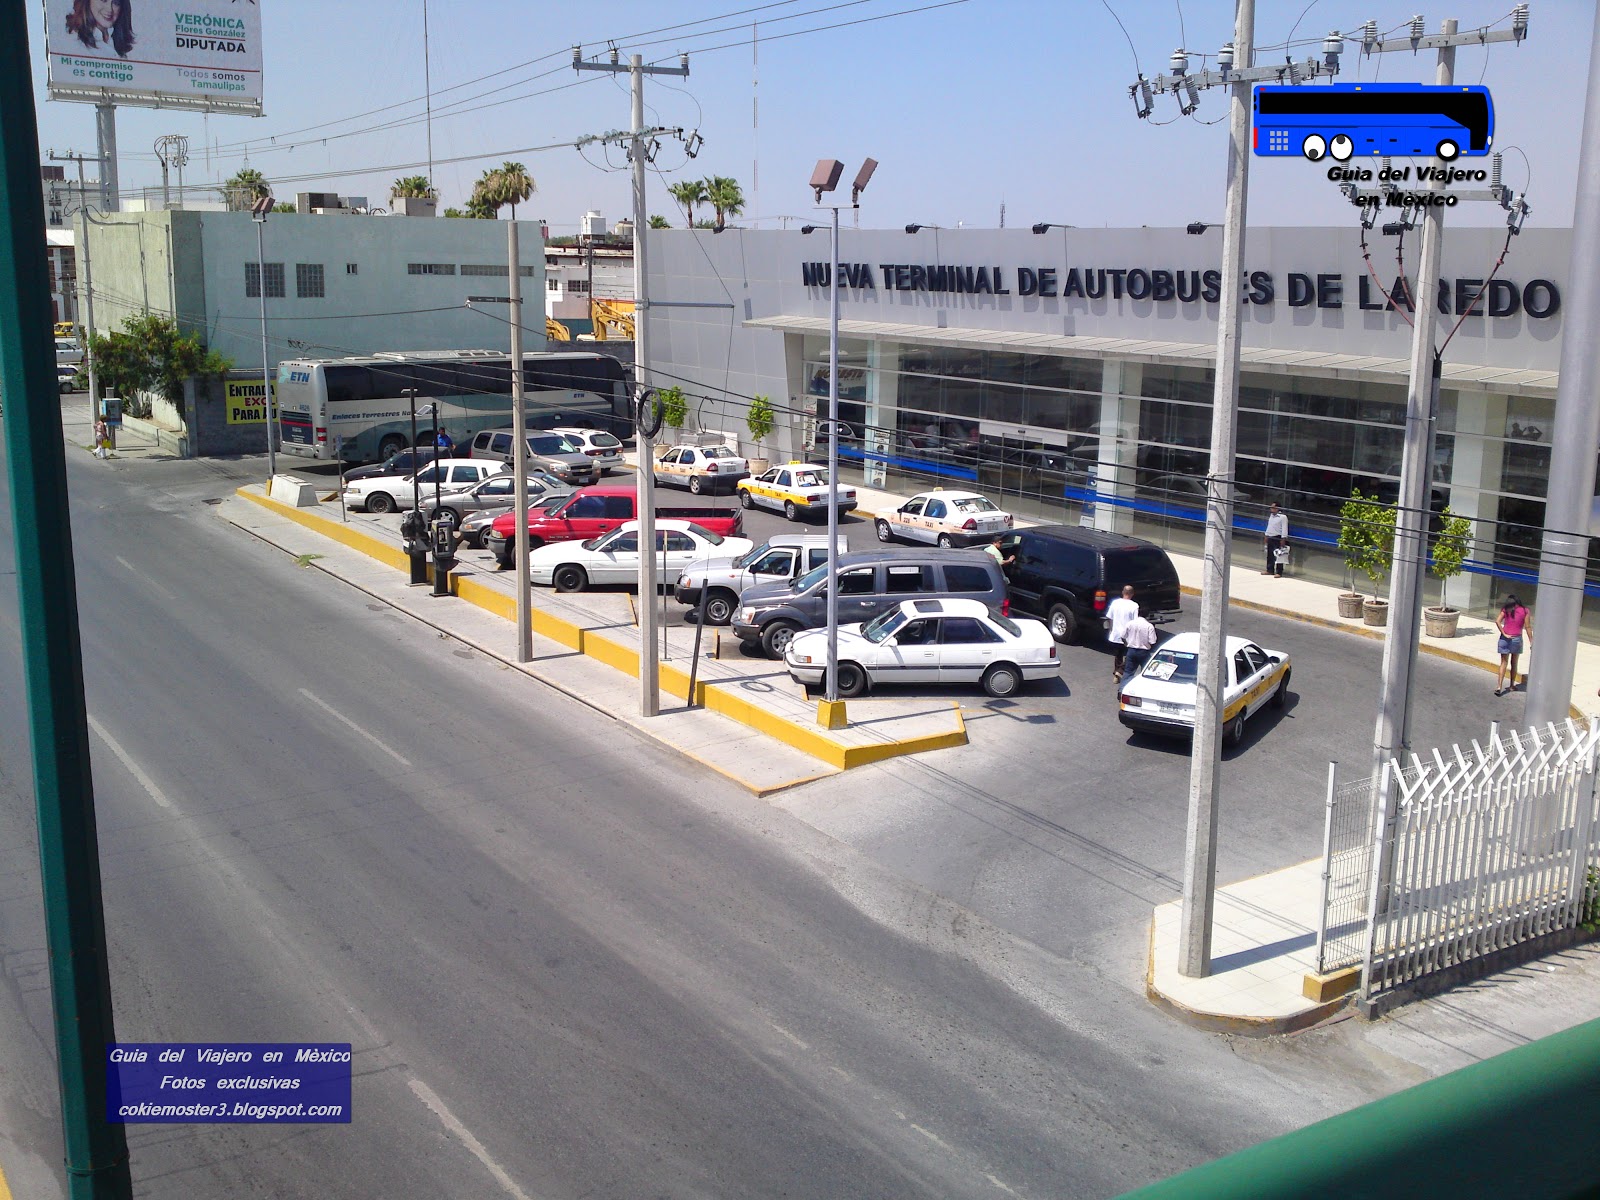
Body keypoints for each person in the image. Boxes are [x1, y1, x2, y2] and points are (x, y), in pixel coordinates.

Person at [65, 0, 134, 57]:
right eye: (103, 0)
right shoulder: (74, 42)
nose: (109, 9)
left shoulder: (116, 40)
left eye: (116, 3)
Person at [1494, 594, 1532, 697]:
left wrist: (1504, 633)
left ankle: (1499, 686)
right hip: (1516, 639)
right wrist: (1531, 640)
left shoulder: (1505, 609)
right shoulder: (1525, 610)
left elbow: (1497, 621)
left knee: (1503, 663)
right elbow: (1528, 626)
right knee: (1514, 663)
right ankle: (1511, 685)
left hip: (1505, 639)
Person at [1105, 584, 1139, 681]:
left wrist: (1111, 629)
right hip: (1128, 636)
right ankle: (1120, 671)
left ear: (1123, 592)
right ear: (1132, 594)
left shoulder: (1115, 603)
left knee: (1118, 655)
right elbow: (1135, 622)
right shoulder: (1134, 606)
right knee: (1130, 655)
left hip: (1115, 634)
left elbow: (1109, 617)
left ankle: (1116, 673)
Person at [1120, 607, 1158, 683]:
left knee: (1128, 673)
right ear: (1147, 615)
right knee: (1146, 673)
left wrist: (1126, 644)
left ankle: (1121, 691)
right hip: (1144, 652)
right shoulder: (1149, 626)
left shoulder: (1130, 623)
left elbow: (1123, 636)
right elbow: (1152, 641)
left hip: (1131, 650)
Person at [1263, 502, 1289, 576]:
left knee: (1279, 555)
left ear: (1277, 508)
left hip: (1278, 537)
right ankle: (1269, 570)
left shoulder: (1282, 517)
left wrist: (1283, 539)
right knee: (1270, 555)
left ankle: (1279, 572)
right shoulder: (1271, 516)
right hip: (1270, 537)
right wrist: (1266, 535)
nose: (1271, 509)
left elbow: (1284, 528)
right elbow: (1269, 526)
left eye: (1273, 507)